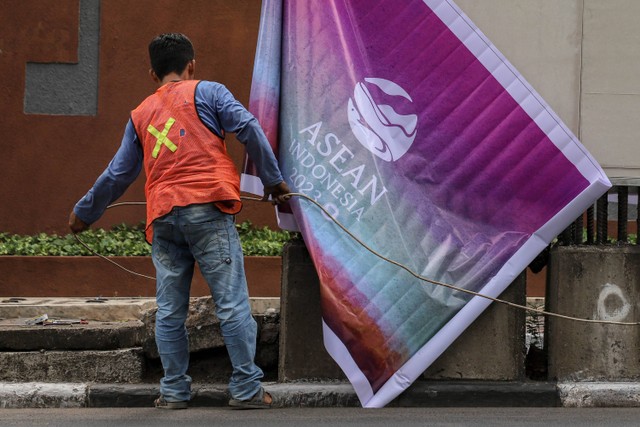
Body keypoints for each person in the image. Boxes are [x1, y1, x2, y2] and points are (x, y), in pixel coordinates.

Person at [69, 33, 290, 410]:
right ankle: (247, 389)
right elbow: (249, 129)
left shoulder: (140, 113)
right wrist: (273, 180)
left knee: (170, 310)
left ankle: (173, 392)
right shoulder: (210, 91)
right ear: (191, 65)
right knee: (232, 304)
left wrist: (83, 213)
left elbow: (117, 174)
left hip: (164, 218)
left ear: (153, 74)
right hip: (207, 209)